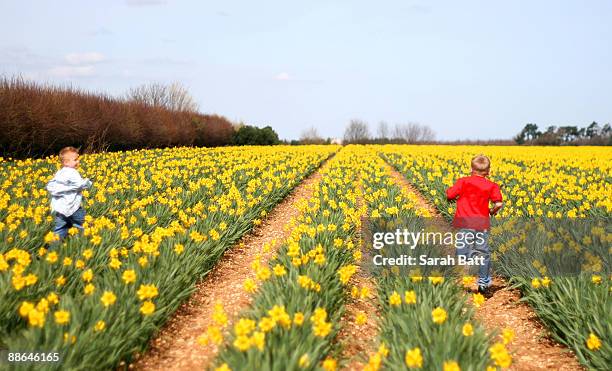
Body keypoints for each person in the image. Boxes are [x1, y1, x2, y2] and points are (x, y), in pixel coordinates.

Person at [446, 154, 503, 296]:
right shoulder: (492, 186)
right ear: (488, 171)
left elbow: (450, 195)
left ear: (472, 169)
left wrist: (450, 193)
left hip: (465, 223)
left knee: (462, 251)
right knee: (483, 253)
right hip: (482, 224)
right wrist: (492, 211)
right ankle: (483, 283)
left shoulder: (463, 182)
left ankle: (470, 261)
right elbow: (499, 203)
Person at [46, 146, 92, 243]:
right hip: (73, 208)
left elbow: (52, 186)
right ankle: (86, 243)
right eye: (75, 160)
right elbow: (80, 185)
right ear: (66, 162)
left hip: (59, 210)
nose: (77, 162)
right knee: (84, 225)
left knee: (59, 230)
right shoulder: (73, 172)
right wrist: (88, 183)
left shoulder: (59, 173)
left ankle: (52, 249)